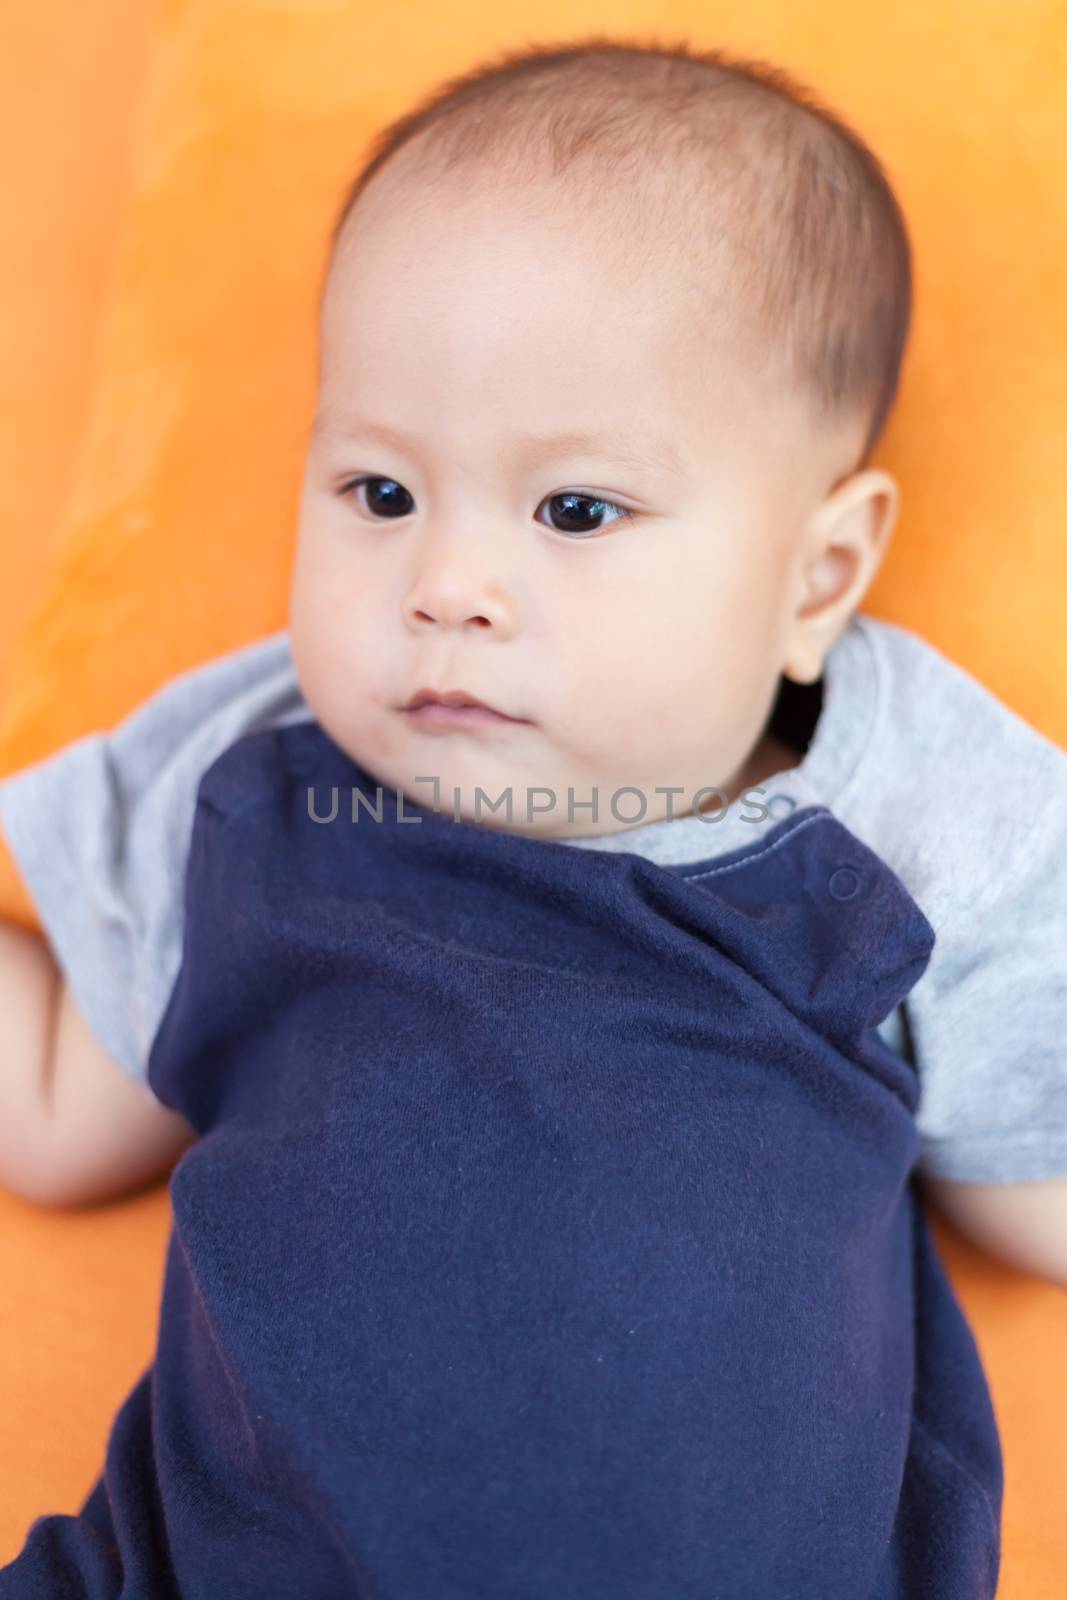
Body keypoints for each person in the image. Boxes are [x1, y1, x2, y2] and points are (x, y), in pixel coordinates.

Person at [1, 34, 1065, 1597]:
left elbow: (1035, 1184)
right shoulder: (263, 783)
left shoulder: (896, 809)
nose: (446, 588)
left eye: (576, 509)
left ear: (815, 579)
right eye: (379, 492)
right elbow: (52, 1115)